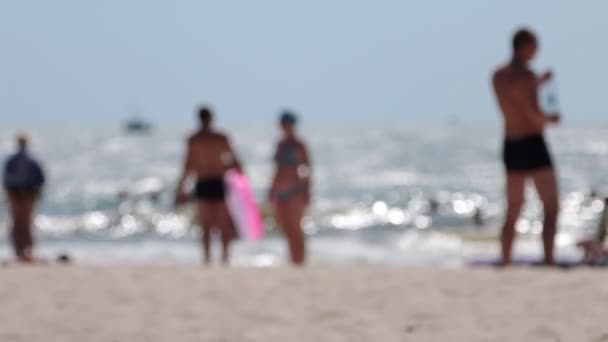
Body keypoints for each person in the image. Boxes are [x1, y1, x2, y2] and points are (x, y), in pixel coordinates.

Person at [492, 28, 561, 266]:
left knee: (513, 210)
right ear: (524, 46)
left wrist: (538, 82)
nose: (536, 52)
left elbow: (515, 102)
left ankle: (505, 261)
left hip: (511, 144)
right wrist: (552, 119)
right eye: (534, 47)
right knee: (551, 207)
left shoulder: (498, 76)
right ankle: (549, 261)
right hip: (532, 143)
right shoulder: (527, 77)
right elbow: (532, 114)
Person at [175, 107, 242, 265]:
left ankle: (208, 259)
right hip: (217, 182)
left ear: (198, 118)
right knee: (222, 225)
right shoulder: (220, 137)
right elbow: (235, 162)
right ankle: (224, 258)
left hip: (204, 183)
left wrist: (181, 187)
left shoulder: (194, 139)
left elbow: (188, 166)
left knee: (207, 225)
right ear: (212, 118)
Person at [269, 111, 312, 265]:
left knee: (296, 227)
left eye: (287, 124)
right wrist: (271, 189)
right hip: (280, 191)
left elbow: (307, 168)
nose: (284, 127)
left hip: (295, 191)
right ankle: (293, 259)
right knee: (285, 226)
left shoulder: (299, 145)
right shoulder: (280, 144)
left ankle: (300, 260)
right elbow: (277, 170)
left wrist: (307, 191)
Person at [3, 134, 45, 263]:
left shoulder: (12, 159)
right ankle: (27, 251)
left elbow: (6, 179)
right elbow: (40, 178)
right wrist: (37, 193)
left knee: (17, 223)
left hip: (15, 194)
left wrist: (8, 193)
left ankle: (19, 251)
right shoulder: (32, 159)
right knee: (26, 223)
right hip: (28, 195)